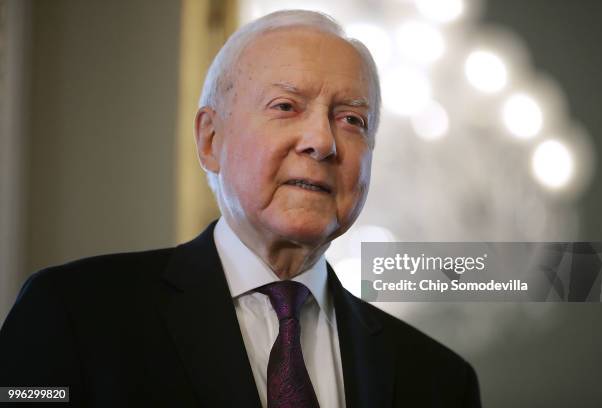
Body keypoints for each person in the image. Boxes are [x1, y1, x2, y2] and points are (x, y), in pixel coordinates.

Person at [0, 9, 481, 408]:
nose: (321, 142)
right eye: (286, 106)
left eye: (351, 119)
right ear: (211, 139)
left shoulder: (440, 381)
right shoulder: (73, 317)